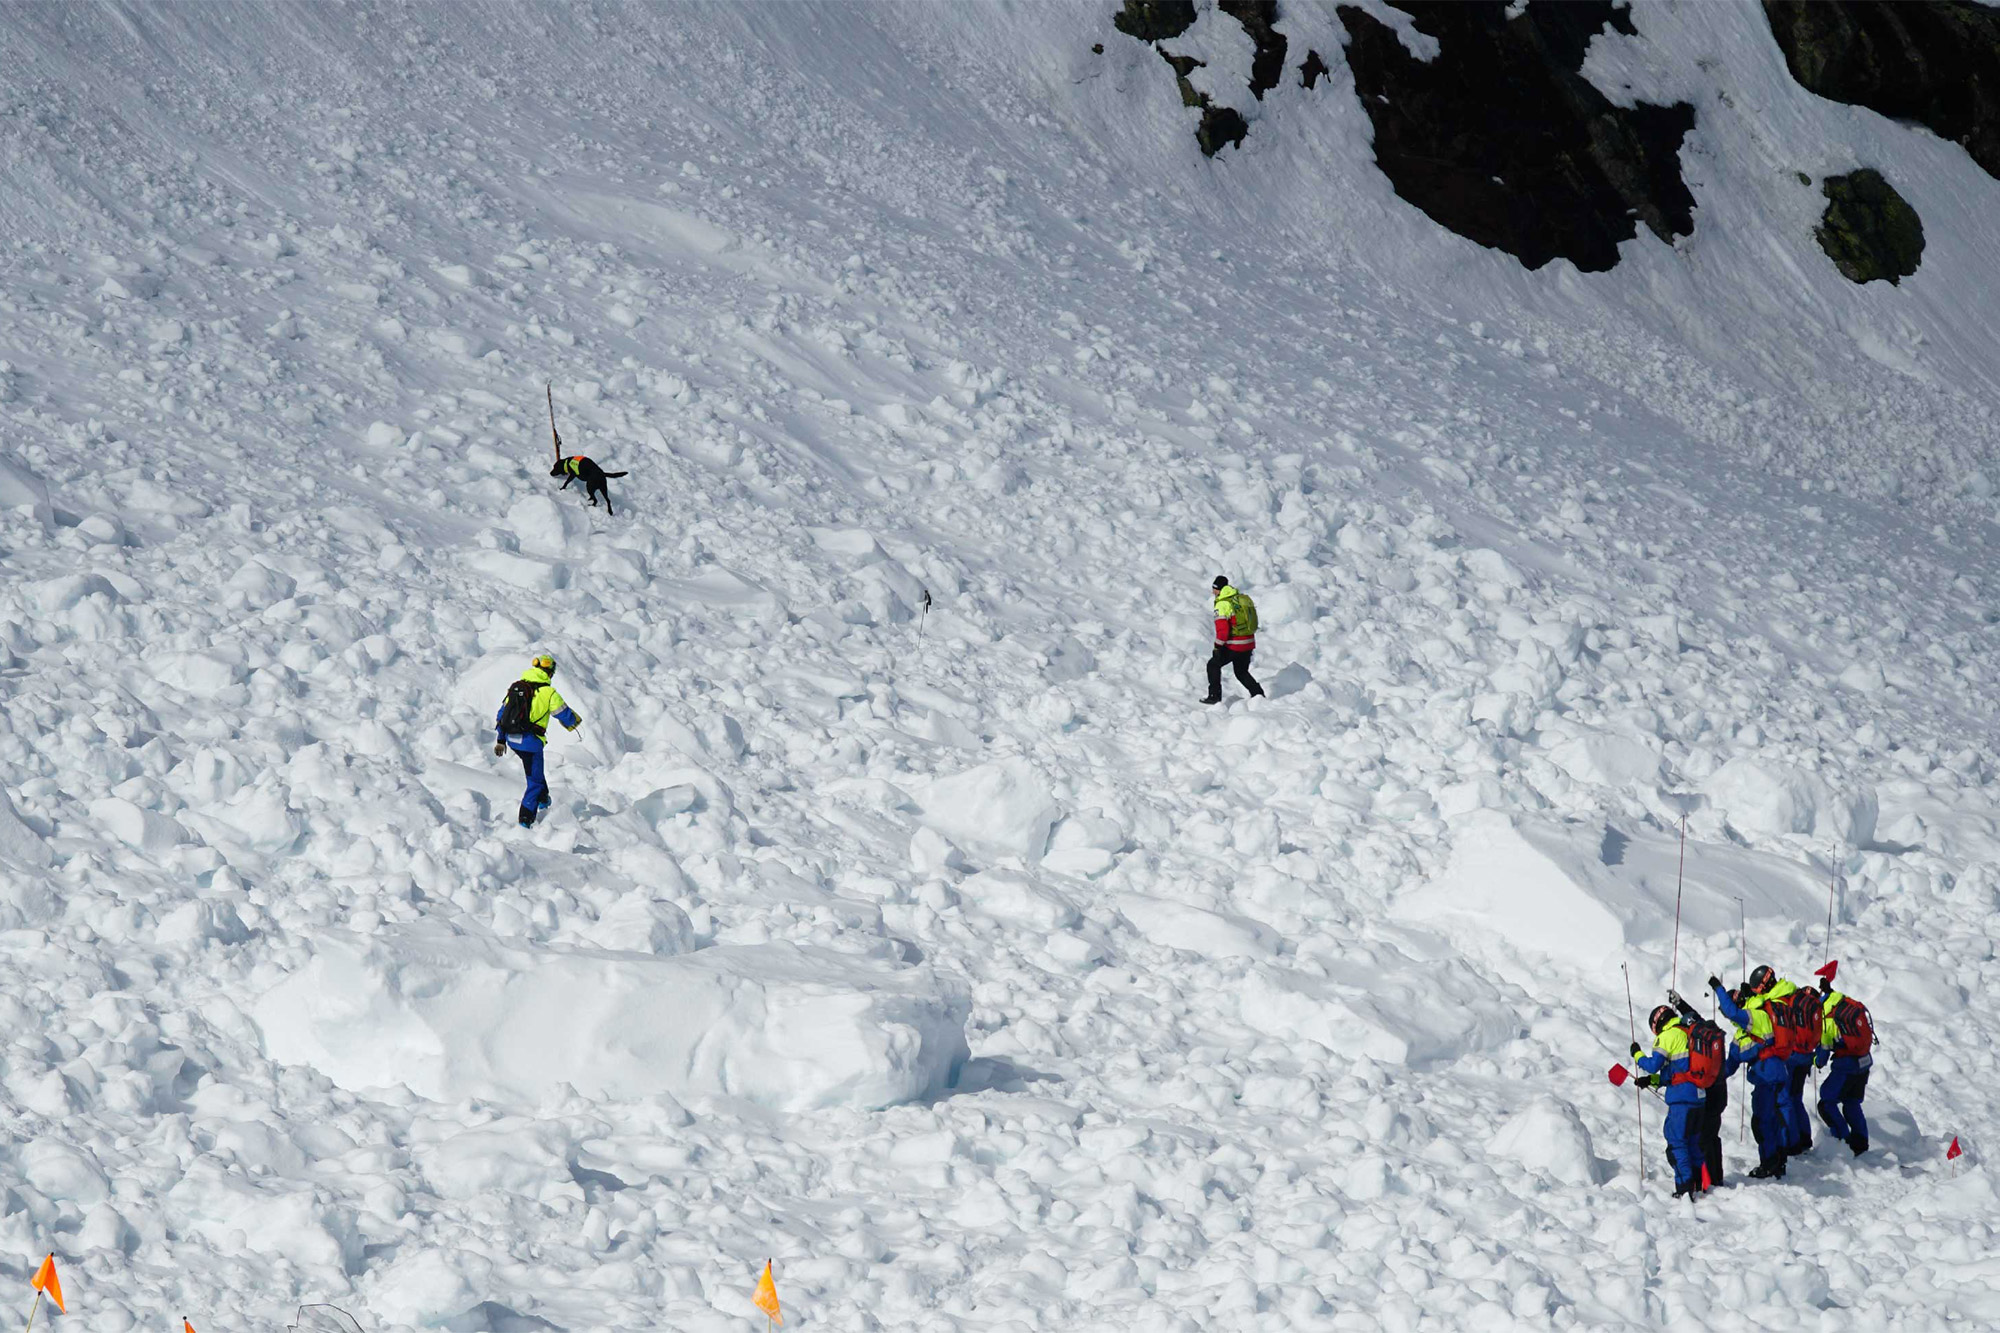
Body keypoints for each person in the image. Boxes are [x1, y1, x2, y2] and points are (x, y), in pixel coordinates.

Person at [1711, 968, 1797, 1179]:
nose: (1728, 1015)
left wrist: (1717, 988)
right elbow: (1729, 1065)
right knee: (1773, 1119)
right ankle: (1779, 1161)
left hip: (1767, 1076)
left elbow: (1733, 1014)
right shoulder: (1745, 1031)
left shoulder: (1756, 1015)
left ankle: (1769, 1164)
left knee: (1762, 1122)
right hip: (1774, 1073)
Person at [494, 654, 582, 828]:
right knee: (534, 781)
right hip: (530, 743)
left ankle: (543, 799)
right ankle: (525, 821)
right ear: (549, 672)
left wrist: (501, 740)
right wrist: (575, 723)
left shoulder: (517, 688)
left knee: (535, 771)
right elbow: (564, 715)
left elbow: (501, 715)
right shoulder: (549, 693)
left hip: (511, 740)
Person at [1633, 1003, 1707, 1197]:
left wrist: (1637, 1054)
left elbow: (1652, 1064)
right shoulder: (1688, 1032)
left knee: (1677, 1143)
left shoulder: (1667, 1036)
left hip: (1682, 1101)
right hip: (1699, 1097)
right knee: (1693, 1143)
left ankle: (1684, 1190)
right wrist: (1651, 1081)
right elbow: (1676, 1072)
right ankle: (1700, 1185)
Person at [1669, 988, 1742, 1188]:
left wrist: (1679, 1004)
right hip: (1721, 1093)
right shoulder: (1710, 1035)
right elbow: (1695, 1016)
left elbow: (1693, 1017)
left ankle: (1707, 1181)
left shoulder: (1698, 1040)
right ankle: (1715, 1177)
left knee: (1702, 1139)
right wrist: (1681, 1004)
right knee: (1712, 1137)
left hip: (1706, 1094)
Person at [1816, 968, 1873, 1155]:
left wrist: (1817, 1061)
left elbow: (1823, 1055)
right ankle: (1860, 1143)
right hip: (1864, 1061)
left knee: (1826, 1101)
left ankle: (1842, 1141)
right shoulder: (1842, 1002)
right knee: (1852, 1102)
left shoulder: (1826, 1017)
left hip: (1846, 1065)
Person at [1202, 576, 1265, 705]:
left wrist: (1217, 647)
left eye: (1214, 589)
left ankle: (1214, 696)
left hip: (1235, 645)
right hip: (1249, 643)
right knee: (1241, 672)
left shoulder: (1222, 604)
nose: (1213, 592)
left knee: (1213, 665)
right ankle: (1258, 694)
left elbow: (1223, 631)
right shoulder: (1239, 599)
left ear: (1218, 589)